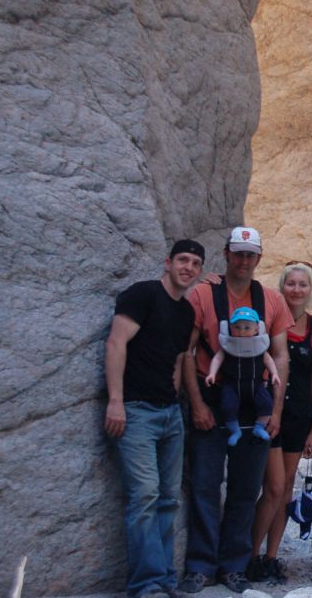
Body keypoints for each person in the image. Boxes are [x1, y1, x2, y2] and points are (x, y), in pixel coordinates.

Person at [179, 227, 293, 594]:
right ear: (227, 254)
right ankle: (200, 565)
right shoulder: (202, 295)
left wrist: (274, 412)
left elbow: (280, 357)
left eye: (251, 255)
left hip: (254, 405)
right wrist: (196, 403)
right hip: (213, 405)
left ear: (259, 258)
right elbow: (187, 351)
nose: (244, 261)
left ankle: (233, 565)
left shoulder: (271, 301)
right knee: (205, 486)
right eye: (238, 253)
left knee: (245, 490)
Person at [103, 239, 205, 598]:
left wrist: (176, 400)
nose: (188, 267)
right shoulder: (141, 295)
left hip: (168, 414)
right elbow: (116, 343)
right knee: (144, 498)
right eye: (183, 260)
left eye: (195, 263)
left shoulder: (185, 313)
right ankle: (145, 585)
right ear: (168, 262)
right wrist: (115, 401)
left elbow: (179, 359)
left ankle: (163, 579)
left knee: (167, 499)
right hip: (135, 412)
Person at [247, 262, 312, 584]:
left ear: (310, 290)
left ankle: (271, 556)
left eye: (302, 284)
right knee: (274, 487)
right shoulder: (267, 320)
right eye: (290, 283)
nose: (296, 289)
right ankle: (250, 556)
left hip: (299, 417)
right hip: (269, 414)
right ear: (282, 287)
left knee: (285, 491)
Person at [205, 306, 281, 445]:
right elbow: (217, 359)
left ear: (257, 329)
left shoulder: (260, 347)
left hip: (255, 385)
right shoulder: (228, 347)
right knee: (228, 406)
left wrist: (274, 374)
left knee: (267, 403)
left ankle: (259, 427)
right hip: (232, 386)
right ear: (230, 328)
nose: (242, 331)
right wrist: (212, 373)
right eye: (237, 327)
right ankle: (235, 430)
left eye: (247, 328)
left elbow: (269, 360)